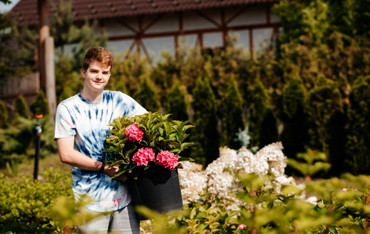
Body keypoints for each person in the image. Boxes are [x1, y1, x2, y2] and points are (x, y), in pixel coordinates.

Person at [54, 47, 147, 233]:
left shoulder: (120, 101)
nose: (100, 77)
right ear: (84, 72)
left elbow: (151, 125)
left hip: (125, 199)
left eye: (105, 72)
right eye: (94, 71)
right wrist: (104, 168)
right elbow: (66, 154)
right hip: (89, 203)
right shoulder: (68, 108)